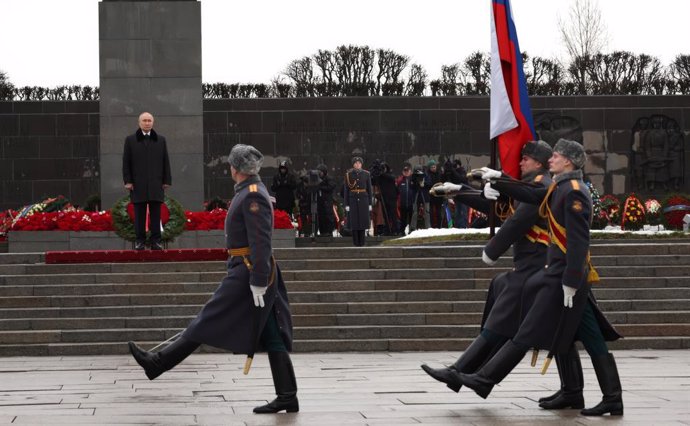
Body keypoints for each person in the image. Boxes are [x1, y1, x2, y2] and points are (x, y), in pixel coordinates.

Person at [127, 144, 298, 414]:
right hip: (245, 268)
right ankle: (288, 395)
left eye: (231, 164)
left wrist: (258, 278)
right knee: (271, 331)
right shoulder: (247, 192)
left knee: (207, 319)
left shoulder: (253, 195)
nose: (229, 168)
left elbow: (261, 242)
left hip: (248, 271)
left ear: (236, 168)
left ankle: (157, 362)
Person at [457, 139, 623, 417]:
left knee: (533, 328)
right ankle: (589, 394)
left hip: (567, 278)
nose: (551, 159)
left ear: (568, 161)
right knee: (586, 336)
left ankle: (485, 378)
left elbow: (579, 242)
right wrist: (498, 179)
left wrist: (571, 280)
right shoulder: (558, 187)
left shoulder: (573, 191)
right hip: (556, 274)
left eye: (556, 156)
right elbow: (532, 193)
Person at [421, 140, 554, 395]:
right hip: (528, 267)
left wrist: (491, 250)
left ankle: (463, 372)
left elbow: (516, 221)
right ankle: (464, 372)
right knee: (501, 296)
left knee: (504, 308)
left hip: (536, 267)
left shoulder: (541, 186)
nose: (521, 162)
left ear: (538, 163)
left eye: (526, 159)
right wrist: (458, 190)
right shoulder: (532, 185)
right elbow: (496, 207)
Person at [122, 112, 171, 250]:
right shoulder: (130, 140)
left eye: (149, 120)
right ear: (139, 123)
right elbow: (126, 162)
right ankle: (140, 241)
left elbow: (165, 161)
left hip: (156, 183)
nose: (147, 123)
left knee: (156, 213)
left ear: (153, 122)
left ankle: (156, 241)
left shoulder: (161, 140)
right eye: (144, 120)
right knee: (139, 214)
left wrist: (166, 180)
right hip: (138, 184)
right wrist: (128, 181)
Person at [344, 156, 372, 246]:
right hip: (353, 199)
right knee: (354, 222)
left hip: (364, 199)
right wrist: (346, 204)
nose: (357, 164)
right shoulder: (349, 175)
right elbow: (346, 190)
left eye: (359, 163)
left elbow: (369, 189)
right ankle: (356, 243)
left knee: (363, 221)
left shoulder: (366, 174)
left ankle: (362, 242)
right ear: (353, 165)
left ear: (361, 164)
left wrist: (370, 203)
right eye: (356, 163)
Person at [396, 163, 417, 235]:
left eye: (407, 171)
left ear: (410, 171)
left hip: (411, 203)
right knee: (403, 219)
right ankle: (402, 231)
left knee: (412, 218)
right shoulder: (400, 180)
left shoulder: (413, 179)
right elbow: (396, 189)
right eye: (405, 171)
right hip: (403, 203)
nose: (406, 172)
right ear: (403, 172)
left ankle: (412, 231)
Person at [316, 164, 336, 236]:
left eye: (320, 172)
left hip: (327, 200)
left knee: (328, 216)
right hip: (320, 200)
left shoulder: (329, 178)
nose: (319, 173)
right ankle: (322, 232)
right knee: (321, 217)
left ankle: (329, 231)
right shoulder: (317, 179)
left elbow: (331, 187)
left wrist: (320, 186)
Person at [426, 160, 444, 227]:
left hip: (438, 196)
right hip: (431, 196)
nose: (434, 168)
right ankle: (432, 226)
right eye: (432, 167)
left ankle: (439, 226)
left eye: (434, 167)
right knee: (431, 213)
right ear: (429, 168)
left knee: (438, 213)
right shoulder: (427, 175)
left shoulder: (439, 174)